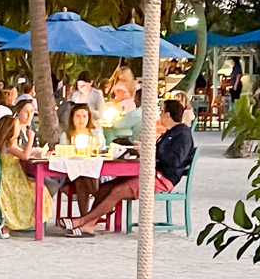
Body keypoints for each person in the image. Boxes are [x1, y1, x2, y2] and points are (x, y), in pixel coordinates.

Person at [61, 97, 195, 235]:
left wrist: (150, 151)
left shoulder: (182, 134)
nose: (160, 115)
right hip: (151, 172)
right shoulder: (169, 133)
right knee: (106, 187)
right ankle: (89, 224)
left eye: (162, 112)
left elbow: (174, 161)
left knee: (117, 191)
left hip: (162, 178)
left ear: (167, 115)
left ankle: (81, 221)